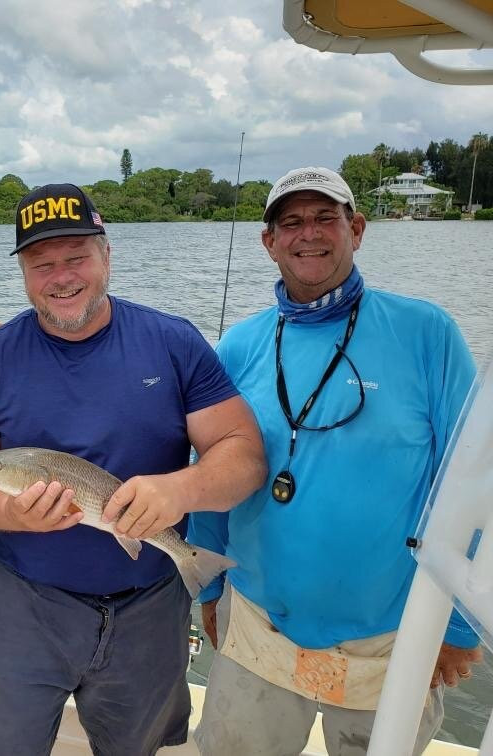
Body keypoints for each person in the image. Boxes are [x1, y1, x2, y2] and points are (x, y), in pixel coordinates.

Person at [0, 183, 267, 755]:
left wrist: (182, 488)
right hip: (25, 606)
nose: (61, 277)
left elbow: (244, 453)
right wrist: (12, 512)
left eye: (76, 258)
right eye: (43, 264)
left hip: (149, 605)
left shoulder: (172, 341)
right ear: (22, 271)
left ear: (107, 254)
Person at [188, 166, 484, 756]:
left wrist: (456, 624)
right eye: (291, 222)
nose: (310, 234)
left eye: (327, 218)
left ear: (358, 228)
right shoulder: (240, 344)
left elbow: (474, 484)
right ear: (268, 241)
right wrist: (210, 589)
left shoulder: (427, 332)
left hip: (393, 637)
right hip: (258, 625)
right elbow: (213, 473)